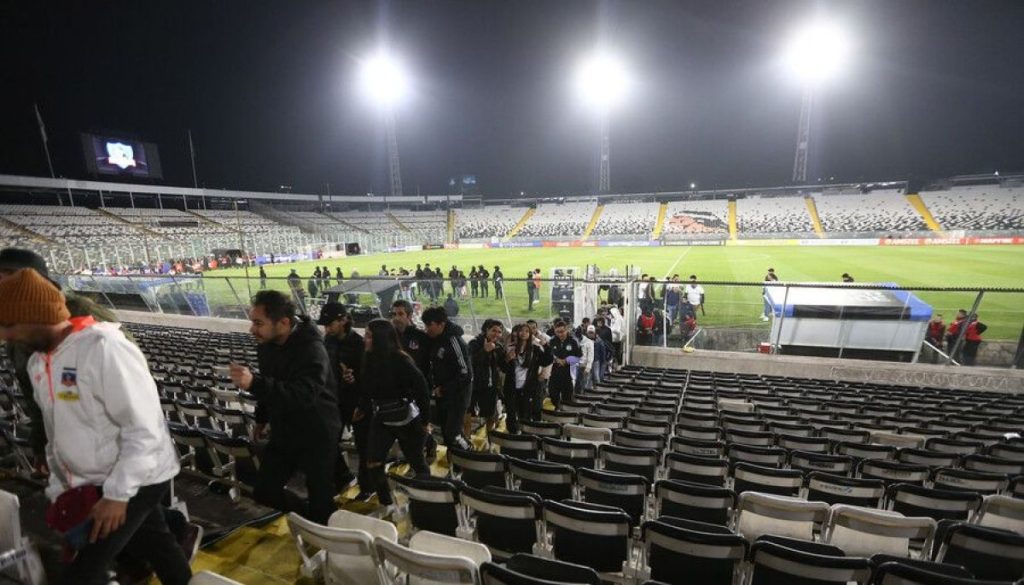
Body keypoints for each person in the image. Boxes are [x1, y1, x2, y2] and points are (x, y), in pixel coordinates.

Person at [0, 268, 191, 585]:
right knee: (158, 546)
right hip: (95, 479)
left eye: (9, 325)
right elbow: (55, 432)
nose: (5, 336)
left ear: (35, 316)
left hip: (137, 478)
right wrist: (60, 487)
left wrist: (117, 496)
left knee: (83, 572)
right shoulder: (38, 363)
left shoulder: (105, 348)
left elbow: (144, 430)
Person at [229, 290, 341, 524]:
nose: (252, 329)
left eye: (258, 323)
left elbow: (303, 395)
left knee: (321, 497)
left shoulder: (312, 349)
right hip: (285, 428)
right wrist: (261, 417)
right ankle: (307, 520)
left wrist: (254, 383)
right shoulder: (267, 344)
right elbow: (271, 380)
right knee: (264, 491)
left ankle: (321, 528)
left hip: (317, 431)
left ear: (284, 323)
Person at [352, 319, 431, 516]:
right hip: (382, 417)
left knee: (418, 463)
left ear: (380, 338)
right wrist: (361, 407)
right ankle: (386, 503)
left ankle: (427, 502)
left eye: (369, 336)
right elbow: (366, 388)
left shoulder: (401, 359)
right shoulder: (369, 358)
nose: (364, 339)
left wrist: (425, 421)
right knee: (373, 462)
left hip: (406, 418)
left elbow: (422, 389)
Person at [319, 302, 370, 499]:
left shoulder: (359, 344)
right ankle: (343, 478)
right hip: (334, 400)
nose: (327, 329)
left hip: (356, 401)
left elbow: (367, 377)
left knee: (364, 446)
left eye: (330, 324)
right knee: (327, 442)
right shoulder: (328, 341)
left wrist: (355, 384)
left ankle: (367, 487)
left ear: (343, 320)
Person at [390, 299, 437, 460]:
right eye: (394, 314)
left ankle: (428, 445)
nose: (396, 318)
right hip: (400, 388)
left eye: (400, 314)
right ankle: (415, 452)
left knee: (420, 423)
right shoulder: (390, 336)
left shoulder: (421, 337)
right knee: (408, 424)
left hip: (419, 388)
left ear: (409, 315)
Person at [422, 307, 473, 450]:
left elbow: (465, 373)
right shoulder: (436, 340)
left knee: (453, 433)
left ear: (441, 324)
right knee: (446, 432)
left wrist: (444, 388)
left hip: (458, 395)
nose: (427, 329)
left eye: (429, 325)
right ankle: (455, 459)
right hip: (443, 395)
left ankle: (469, 452)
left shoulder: (454, 342)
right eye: (425, 325)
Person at [502, 324, 552, 433]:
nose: (523, 333)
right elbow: (503, 368)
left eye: (526, 331)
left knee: (525, 415)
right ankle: (512, 436)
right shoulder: (510, 348)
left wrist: (545, 345)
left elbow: (547, 360)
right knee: (511, 415)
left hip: (528, 388)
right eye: (521, 330)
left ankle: (525, 438)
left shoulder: (535, 349)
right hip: (511, 388)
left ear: (530, 334)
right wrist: (507, 359)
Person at [467, 319, 504, 435]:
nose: (496, 334)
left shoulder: (499, 347)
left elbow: (504, 367)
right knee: (468, 412)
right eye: (494, 330)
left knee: (491, 415)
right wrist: (484, 351)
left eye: (499, 332)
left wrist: (508, 358)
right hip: (474, 385)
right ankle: (467, 438)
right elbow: (469, 362)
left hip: (491, 386)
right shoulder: (474, 343)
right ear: (486, 330)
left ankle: (490, 440)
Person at [548, 321, 581, 408]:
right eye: (557, 332)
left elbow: (578, 357)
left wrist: (567, 360)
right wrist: (556, 360)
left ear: (566, 330)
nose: (560, 334)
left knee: (567, 400)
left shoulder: (573, 341)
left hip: (568, 374)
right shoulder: (552, 341)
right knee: (553, 397)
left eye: (562, 332)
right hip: (554, 374)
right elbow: (549, 355)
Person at [576, 325, 595, 393]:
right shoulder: (575, 340)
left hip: (583, 366)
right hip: (575, 365)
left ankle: (581, 394)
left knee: (581, 383)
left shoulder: (589, 342)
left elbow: (591, 356)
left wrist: (588, 368)